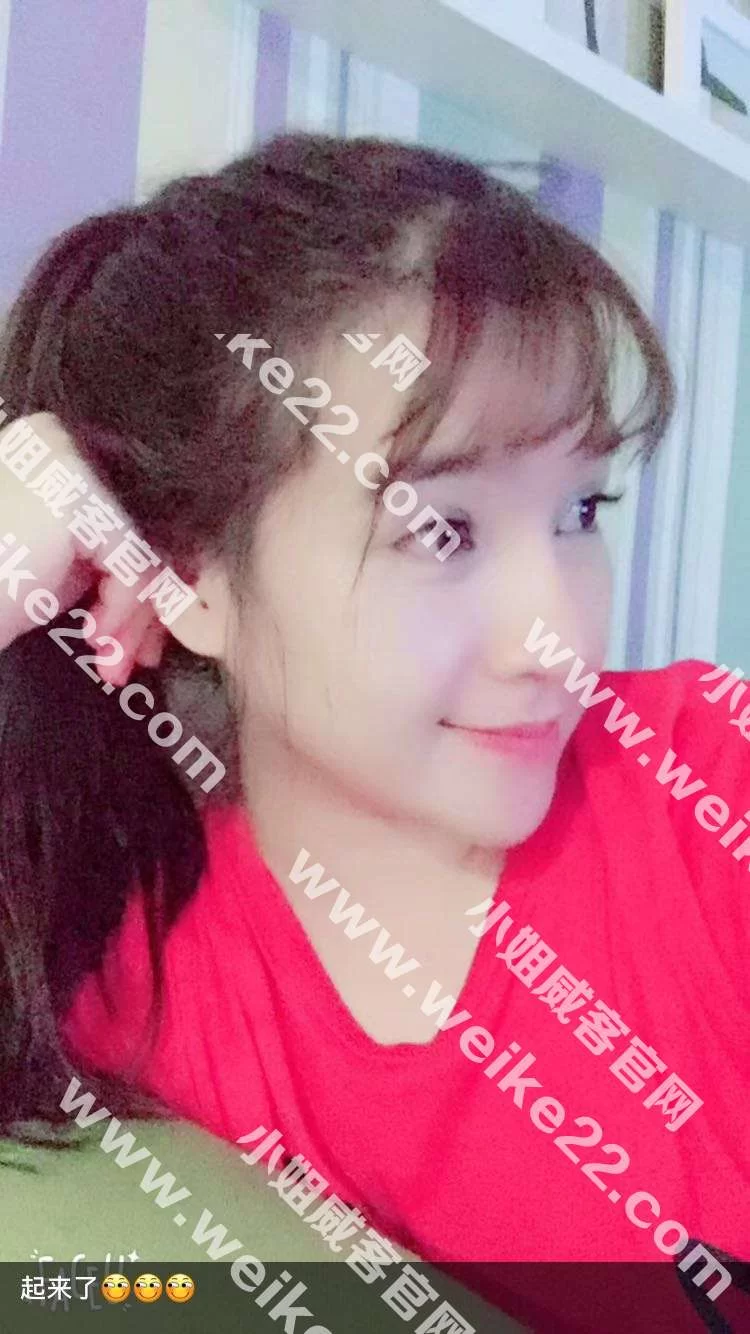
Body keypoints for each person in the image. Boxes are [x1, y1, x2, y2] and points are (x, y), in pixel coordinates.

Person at [0, 132, 747, 1332]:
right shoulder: (139, 976)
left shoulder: (707, 789)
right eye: (441, 531)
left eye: (581, 509)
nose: (555, 637)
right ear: (190, 575)